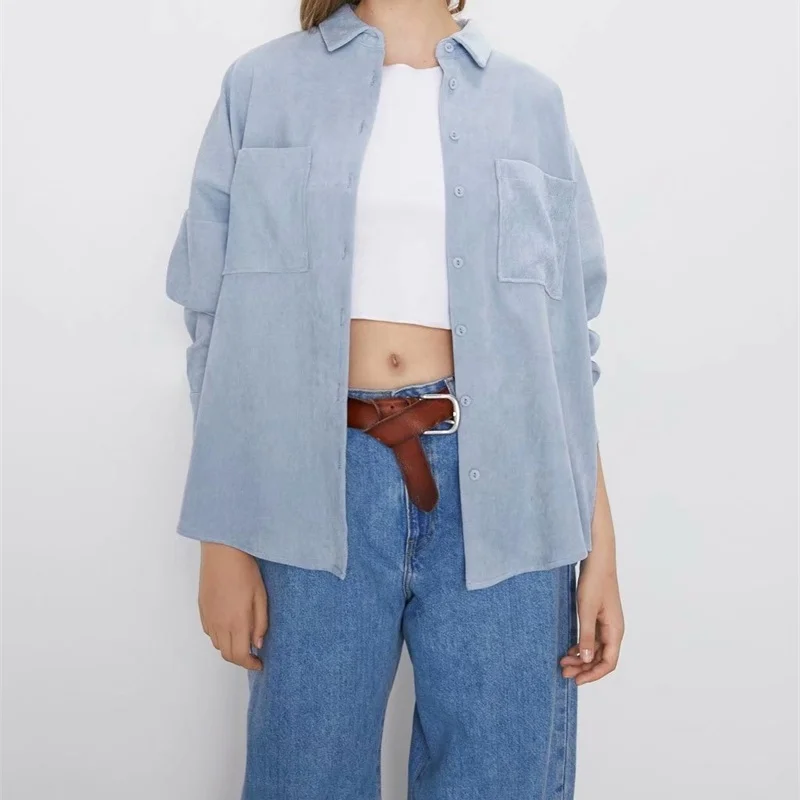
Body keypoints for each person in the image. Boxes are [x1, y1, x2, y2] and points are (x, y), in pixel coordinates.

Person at [166, 1, 624, 797]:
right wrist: (224, 538)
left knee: (499, 781)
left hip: (512, 496)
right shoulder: (263, 86)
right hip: (309, 492)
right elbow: (215, 322)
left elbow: (565, 351)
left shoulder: (530, 103)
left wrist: (599, 548)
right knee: (304, 777)